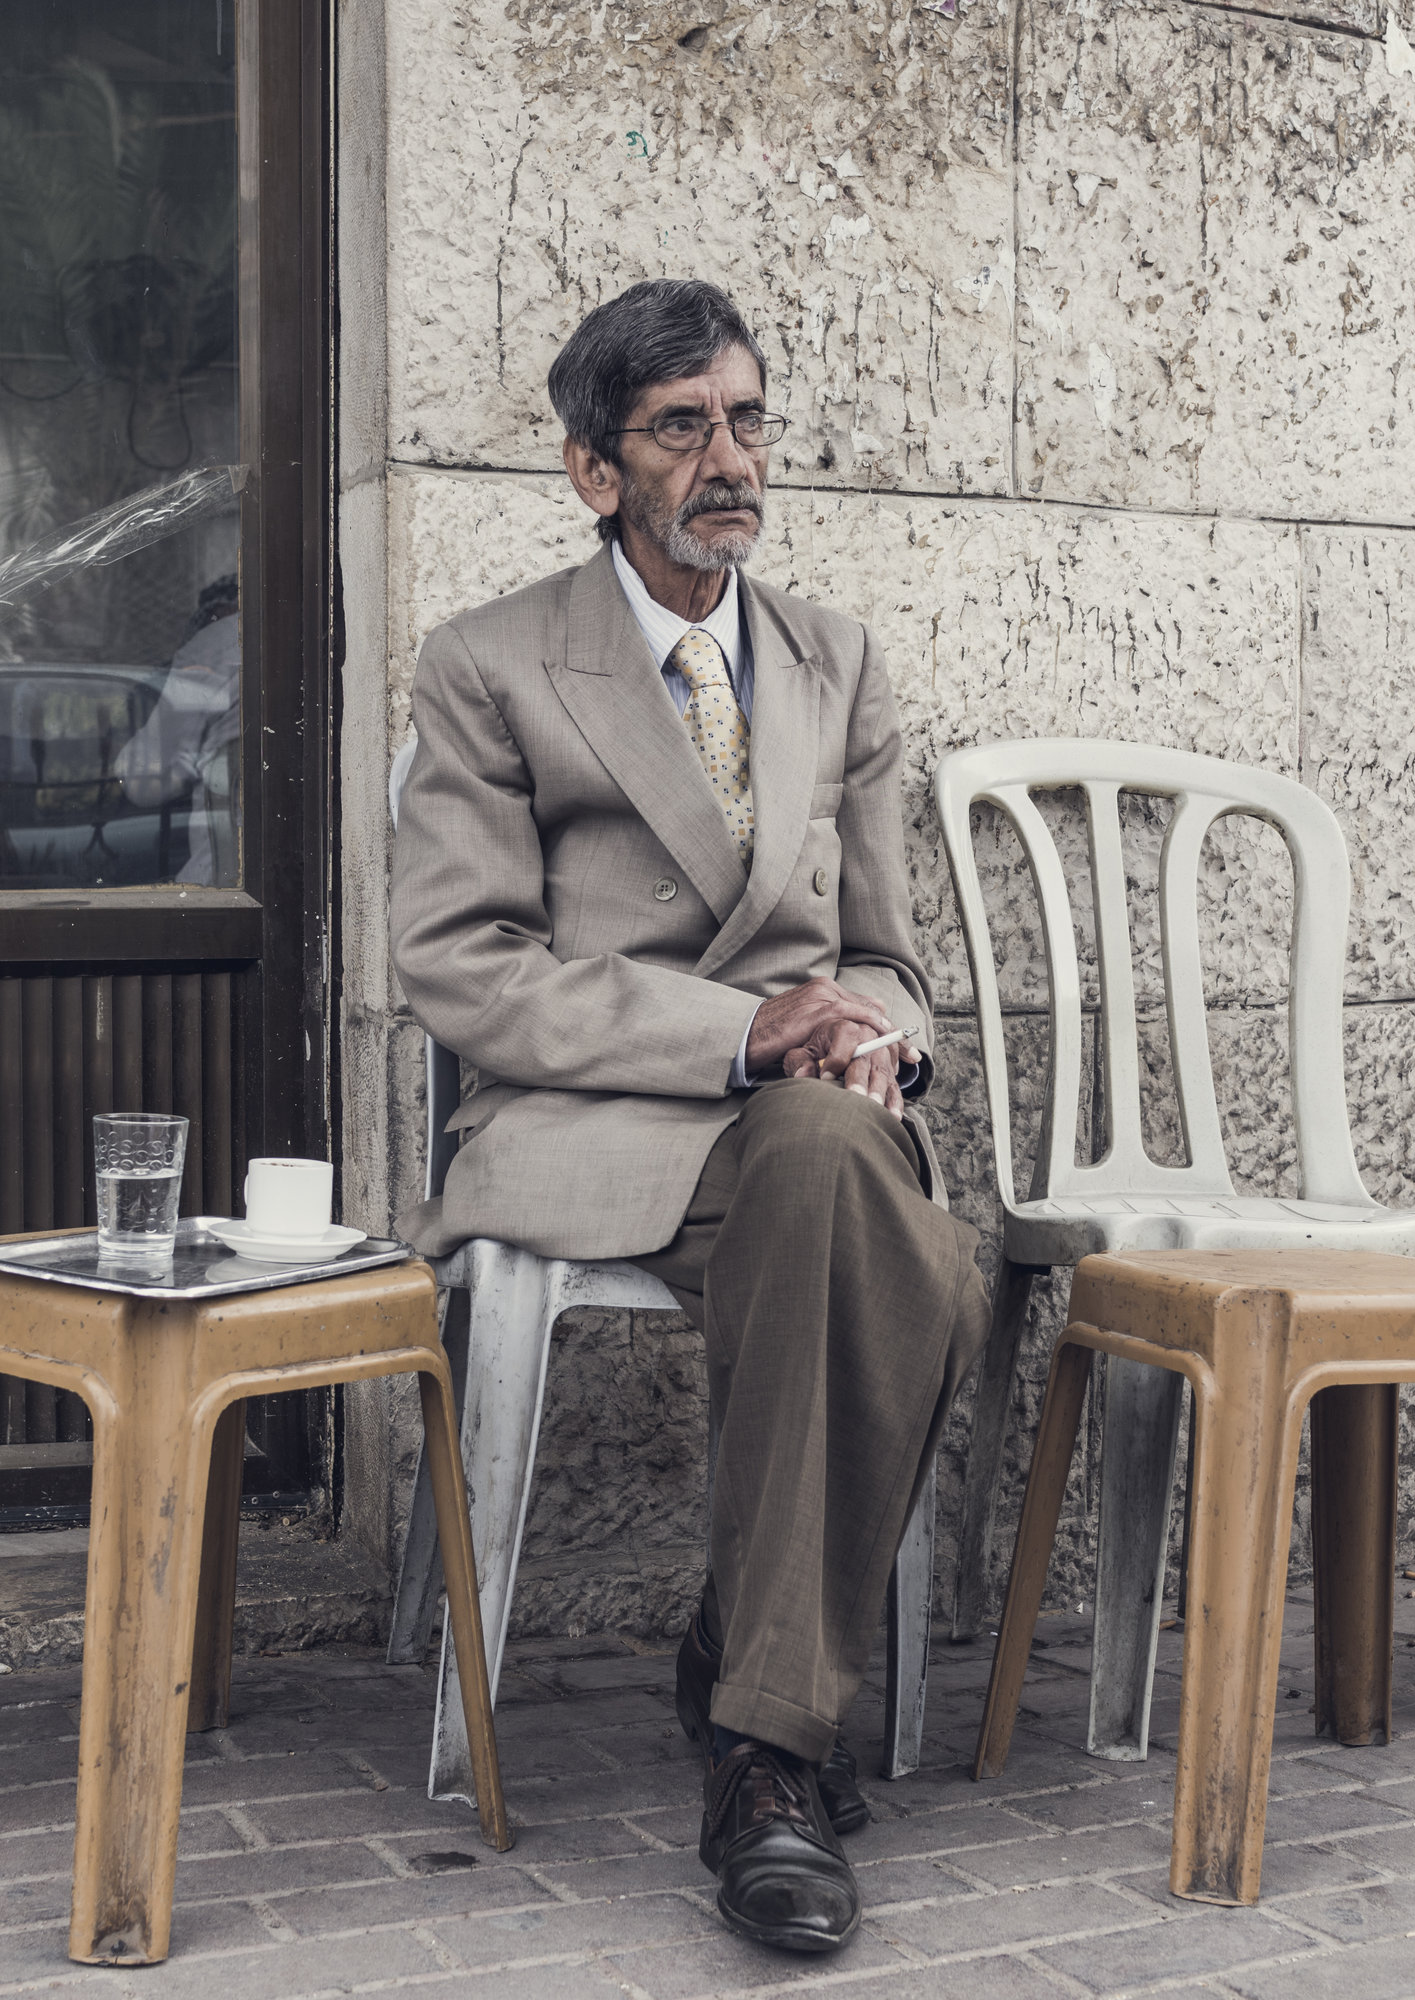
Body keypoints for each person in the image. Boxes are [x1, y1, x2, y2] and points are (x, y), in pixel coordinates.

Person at [390, 278, 988, 1955]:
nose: (729, 459)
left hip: (810, 1127)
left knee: (837, 1164)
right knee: (921, 1261)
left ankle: (758, 1737)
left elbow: (889, 955)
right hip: (594, 1115)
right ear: (596, 471)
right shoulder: (491, 664)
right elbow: (464, 964)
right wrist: (747, 1032)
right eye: (680, 428)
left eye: (745, 418)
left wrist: (876, 1044)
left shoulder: (835, 660)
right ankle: (768, 1703)